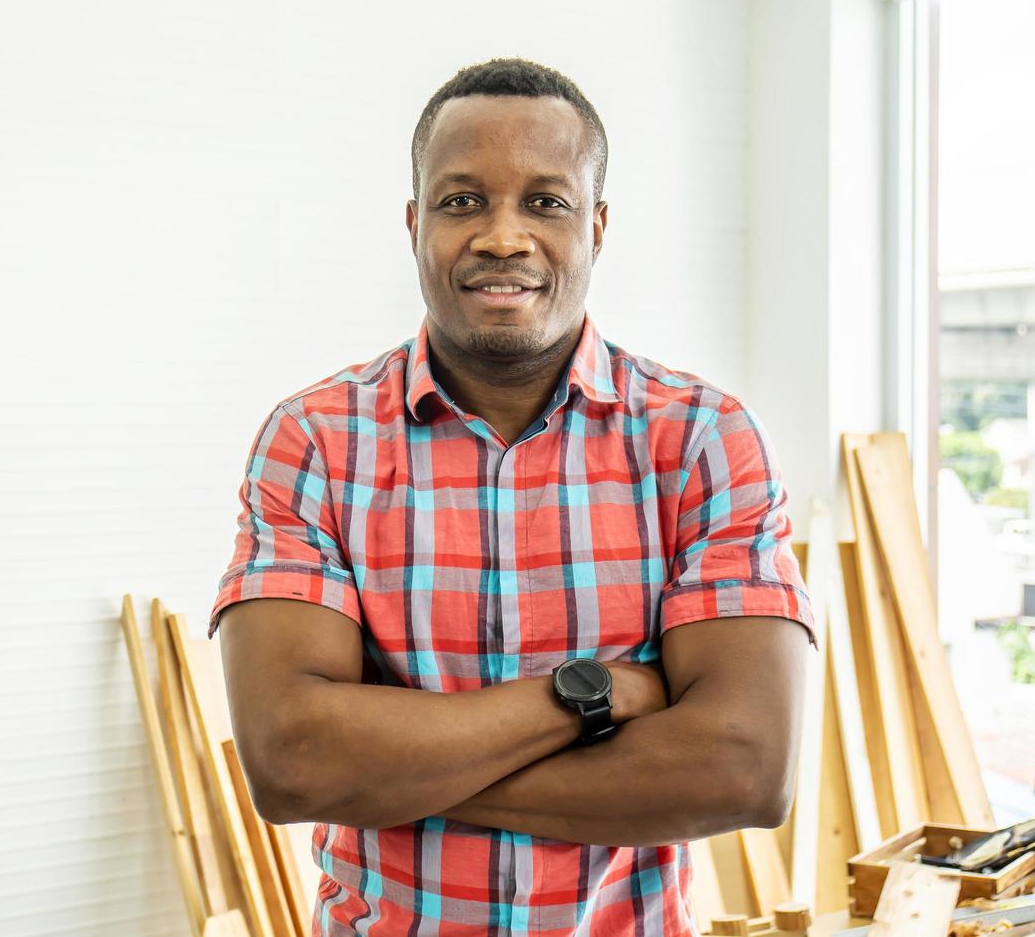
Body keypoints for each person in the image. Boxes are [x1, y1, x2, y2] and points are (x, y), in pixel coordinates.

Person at [206, 57, 819, 937]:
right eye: (461, 202)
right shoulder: (315, 441)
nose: (502, 237)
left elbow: (745, 770)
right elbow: (295, 764)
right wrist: (592, 694)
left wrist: (404, 774)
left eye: (545, 202)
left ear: (597, 227)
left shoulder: (701, 442)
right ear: (414, 224)